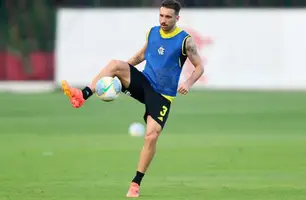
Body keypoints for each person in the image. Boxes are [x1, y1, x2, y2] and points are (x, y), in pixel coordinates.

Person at [61, 0, 204, 197]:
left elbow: (199, 67)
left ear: (177, 18)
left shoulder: (185, 41)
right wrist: (122, 71)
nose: (163, 20)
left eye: (168, 17)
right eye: (161, 15)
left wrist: (187, 83)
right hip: (144, 83)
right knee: (114, 64)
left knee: (151, 136)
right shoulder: (152, 32)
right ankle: (82, 95)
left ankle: (136, 183)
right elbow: (141, 55)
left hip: (162, 95)